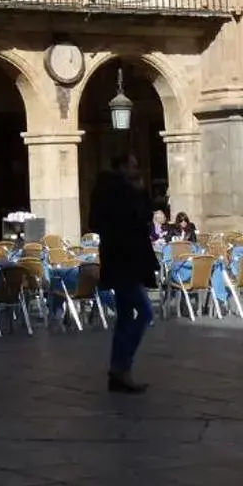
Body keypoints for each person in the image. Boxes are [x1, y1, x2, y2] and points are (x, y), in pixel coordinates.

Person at [90, 153, 157, 394]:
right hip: (125, 261)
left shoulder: (109, 190)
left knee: (126, 316)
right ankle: (122, 368)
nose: (137, 171)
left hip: (120, 261)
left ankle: (118, 373)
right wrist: (139, 193)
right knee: (145, 312)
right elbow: (140, 217)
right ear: (121, 167)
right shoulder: (118, 192)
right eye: (133, 166)